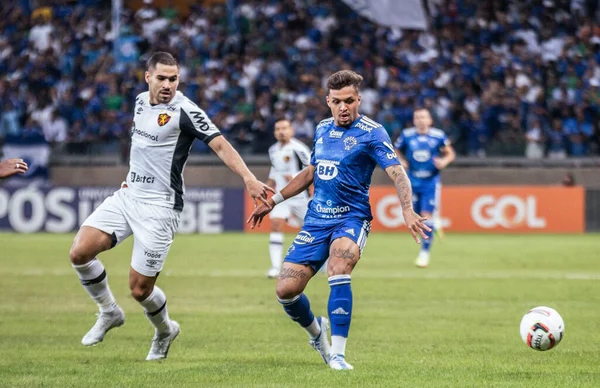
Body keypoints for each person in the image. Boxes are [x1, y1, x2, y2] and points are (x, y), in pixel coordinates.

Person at [69, 52, 273, 361]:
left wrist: (248, 178)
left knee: (139, 289)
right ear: (147, 77)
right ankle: (109, 311)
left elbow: (220, 144)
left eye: (173, 79)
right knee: (80, 251)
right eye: (162, 78)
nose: (168, 84)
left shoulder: (186, 111)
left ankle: (165, 331)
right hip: (128, 196)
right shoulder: (139, 101)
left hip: (160, 207)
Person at [247, 70, 430, 370]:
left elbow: (397, 172)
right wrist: (274, 201)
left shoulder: (373, 132)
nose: (343, 107)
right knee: (286, 291)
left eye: (349, 101)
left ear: (358, 99)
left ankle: (339, 355)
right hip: (316, 219)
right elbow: (310, 172)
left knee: (339, 266)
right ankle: (318, 334)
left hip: (351, 218)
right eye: (336, 102)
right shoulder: (321, 129)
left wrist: (407, 209)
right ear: (328, 101)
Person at [394, 108, 455, 268]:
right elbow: (395, 150)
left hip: (430, 181)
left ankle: (424, 253)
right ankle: (436, 225)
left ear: (430, 120)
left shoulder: (438, 136)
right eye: (417, 117)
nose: (420, 120)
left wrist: (444, 162)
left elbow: (450, 153)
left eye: (423, 117)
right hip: (412, 182)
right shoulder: (406, 135)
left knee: (426, 216)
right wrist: (401, 161)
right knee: (418, 216)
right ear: (414, 121)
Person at [265, 119, 313, 278]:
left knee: (312, 231)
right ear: (274, 132)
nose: (281, 131)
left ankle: (322, 263)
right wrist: (267, 189)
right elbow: (274, 171)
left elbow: (312, 169)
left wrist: (293, 177)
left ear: (291, 130)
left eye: (284, 128)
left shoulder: (299, 149)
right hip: (281, 196)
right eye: (278, 129)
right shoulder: (272, 150)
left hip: (300, 196)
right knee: (276, 224)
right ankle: (275, 267)